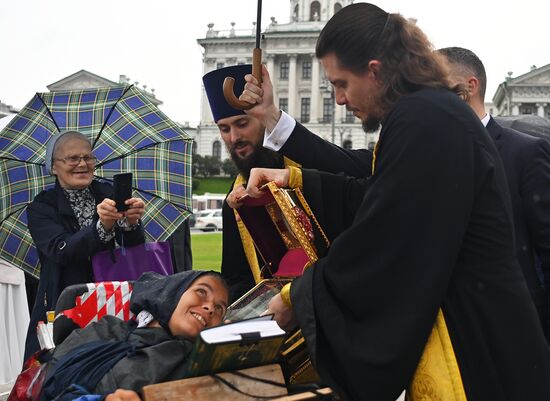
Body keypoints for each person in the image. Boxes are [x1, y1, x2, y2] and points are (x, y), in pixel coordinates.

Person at [232, 3, 550, 401]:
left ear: (376, 70)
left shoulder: (424, 119)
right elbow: (377, 196)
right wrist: (294, 178)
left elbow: (386, 234)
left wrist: (301, 296)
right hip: (477, 327)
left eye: (342, 83)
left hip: (478, 347)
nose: (340, 99)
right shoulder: (425, 113)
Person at [203, 65, 349, 303]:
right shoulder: (236, 196)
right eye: (224, 129)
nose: (233, 138)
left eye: (242, 124)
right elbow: (237, 276)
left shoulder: (309, 168)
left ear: (261, 120)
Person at [439, 46, 550, 340]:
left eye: (436, 86)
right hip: (455, 329)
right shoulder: (433, 154)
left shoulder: (524, 152)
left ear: (469, 87)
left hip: (520, 328)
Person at [24, 131, 146, 360]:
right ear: (53, 167)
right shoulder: (41, 208)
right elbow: (63, 251)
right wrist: (103, 226)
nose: (82, 164)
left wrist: (132, 223)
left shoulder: (109, 194)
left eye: (88, 158)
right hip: (65, 303)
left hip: (113, 300)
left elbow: (132, 252)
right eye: (72, 158)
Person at [40, 270, 229, 401]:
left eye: (220, 308)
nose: (210, 307)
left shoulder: (200, 365)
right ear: (174, 293)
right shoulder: (108, 329)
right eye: (201, 292)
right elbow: (54, 377)